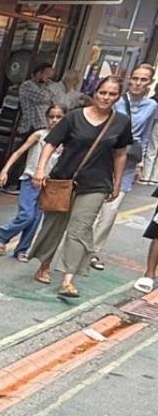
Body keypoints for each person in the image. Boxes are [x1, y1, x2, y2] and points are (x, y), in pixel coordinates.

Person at [30, 76, 133, 298]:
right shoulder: (74, 117)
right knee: (54, 225)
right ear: (94, 93)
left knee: (81, 229)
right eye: (103, 92)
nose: (106, 97)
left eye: (112, 94)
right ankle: (44, 265)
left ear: (118, 97)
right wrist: (40, 170)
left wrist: (117, 183)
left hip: (96, 184)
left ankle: (68, 279)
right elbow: (51, 143)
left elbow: (120, 153)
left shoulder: (121, 122)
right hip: (64, 179)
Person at [87, 64, 156, 270]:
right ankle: (79, 248)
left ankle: (92, 252)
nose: (137, 83)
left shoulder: (152, 107)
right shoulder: (115, 101)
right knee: (91, 208)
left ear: (150, 83)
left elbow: (145, 136)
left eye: (143, 80)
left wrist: (140, 163)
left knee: (110, 212)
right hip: (104, 159)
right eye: (135, 78)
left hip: (127, 164)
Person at [0, 104, 65, 261]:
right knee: (27, 215)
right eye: (51, 116)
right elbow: (19, 152)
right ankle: (2, 235)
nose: (54, 120)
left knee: (36, 218)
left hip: (49, 184)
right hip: (31, 179)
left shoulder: (66, 140)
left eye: (59, 117)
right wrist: (5, 170)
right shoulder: (39, 135)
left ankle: (22, 249)